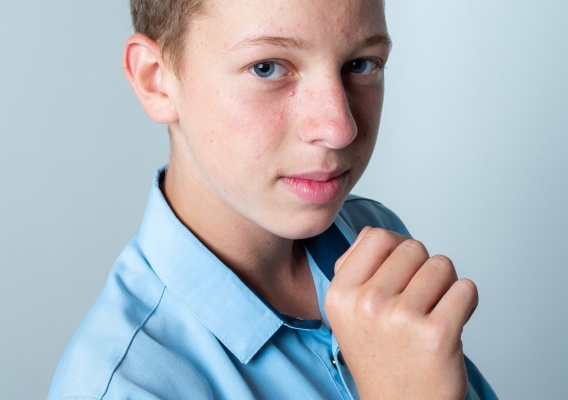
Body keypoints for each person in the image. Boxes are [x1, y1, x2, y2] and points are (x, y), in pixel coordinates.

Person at [49, 0, 497, 399]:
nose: (339, 128)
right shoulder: (126, 387)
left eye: (361, 64)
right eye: (267, 67)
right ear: (156, 81)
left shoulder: (372, 233)